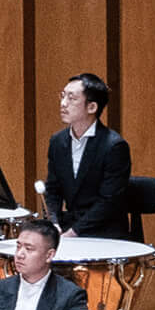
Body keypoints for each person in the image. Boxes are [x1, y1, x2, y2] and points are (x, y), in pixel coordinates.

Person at [43, 73, 134, 243]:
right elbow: (53, 190)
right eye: (63, 96)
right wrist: (53, 222)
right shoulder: (57, 141)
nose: (63, 104)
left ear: (92, 107)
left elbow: (108, 201)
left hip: (105, 232)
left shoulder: (114, 146)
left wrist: (73, 233)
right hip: (69, 226)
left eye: (72, 98)